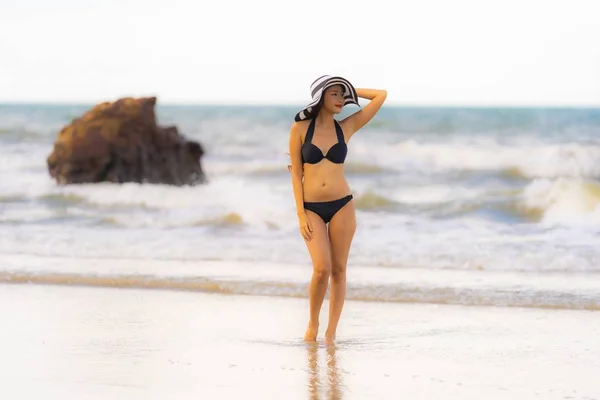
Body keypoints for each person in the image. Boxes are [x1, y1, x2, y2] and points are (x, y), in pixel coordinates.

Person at [288, 75, 387, 342]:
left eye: (344, 95)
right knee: (321, 267)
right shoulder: (299, 129)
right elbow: (296, 173)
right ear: (320, 97)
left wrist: (350, 88)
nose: (341, 99)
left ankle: (331, 333)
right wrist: (300, 214)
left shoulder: (346, 127)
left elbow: (381, 95)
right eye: (335, 93)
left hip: (343, 204)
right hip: (311, 208)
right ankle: (313, 325)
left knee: (339, 270)